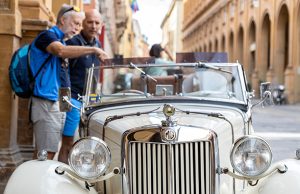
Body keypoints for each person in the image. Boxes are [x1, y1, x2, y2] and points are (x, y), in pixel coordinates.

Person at [30, 4, 108, 160]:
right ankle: (40, 183)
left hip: (59, 100)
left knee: (51, 149)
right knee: (47, 153)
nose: (78, 28)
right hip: (47, 100)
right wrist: (93, 50)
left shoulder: (62, 40)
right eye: (76, 23)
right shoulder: (48, 36)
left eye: (79, 24)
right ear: (63, 20)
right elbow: (60, 51)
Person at [58, 9, 104, 163]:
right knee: (68, 142)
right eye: (90, 22)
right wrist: (65, 100)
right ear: (83, 23)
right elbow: (62, 72)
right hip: (73, 99)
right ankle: (61, 178)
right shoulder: (73, 43)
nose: (93, 25)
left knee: (89, 141)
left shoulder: (98, 43)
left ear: (101, 25)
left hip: (90, 100)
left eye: (97, 22)